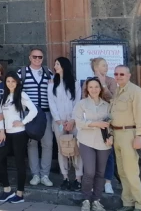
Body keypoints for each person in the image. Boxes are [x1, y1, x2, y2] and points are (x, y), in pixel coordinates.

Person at [110, 65, 141, 211]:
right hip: (117, 134)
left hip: (130, 135)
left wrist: (139, 136)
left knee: (131, 172)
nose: (118, 76)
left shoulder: (136, 91)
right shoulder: (117, 91)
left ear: (129, 75)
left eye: (122, 74)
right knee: (122, 172)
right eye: (116, 74)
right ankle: (128, 203)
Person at [0, 71, 37, 204]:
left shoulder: (22, 95)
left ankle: (20, 194)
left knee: (20, 163)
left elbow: (34, 110)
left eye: (13, 81)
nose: (10, 84)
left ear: (17, 82)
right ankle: (7, 190)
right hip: (7, 134)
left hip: (19, 134)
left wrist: (23, 122)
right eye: (8, 81)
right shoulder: (5, 96)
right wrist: (1, 131)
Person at [74, 77, 114, 211]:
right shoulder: (81, 104)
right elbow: (78, 122)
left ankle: (96, 200)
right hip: (86, 141)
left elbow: (112, 124)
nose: (94, 89)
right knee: (89, 171)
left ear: (100, 89)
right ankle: (86, 199)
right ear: (87, 89)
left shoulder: (107, 105)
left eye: (96, 87)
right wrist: (96, 124)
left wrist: (112, 136)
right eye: (91, 87)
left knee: (100, 172)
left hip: (104, 143)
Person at [18, 47, 54, 187]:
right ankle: (35, 174)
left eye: (40, 57)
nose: (37, 59)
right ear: (29, 57)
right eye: (35, 57)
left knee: (48, 144)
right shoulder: (22, 73)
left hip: (45, 113)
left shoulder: (48, 72)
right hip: (29, 114)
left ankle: (45, 175)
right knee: (31, 144)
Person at [48, 57, 83, 191]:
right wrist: (58, 120)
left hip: (73, 121)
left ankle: (78, 178)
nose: (55, 66)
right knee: (62, 148)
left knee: (76, 149)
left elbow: (78, 102)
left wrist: (73, 120)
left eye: (58, 64)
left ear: (64, 66)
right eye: (55, 63)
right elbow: (52, 103)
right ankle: (65, 177)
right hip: (59, 122)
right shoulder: (51, 84)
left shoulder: (75, 83)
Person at [89, 57, 119, 195]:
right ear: (96, 67)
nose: (106, 67)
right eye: (103, 65)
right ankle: (95, 182)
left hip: (107, 121)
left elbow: (112, 99)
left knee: (108, 153)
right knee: (92, 154)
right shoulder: (89, 81)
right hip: (93, 122)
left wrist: (103, 85)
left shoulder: (111, 81)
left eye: (107, 65)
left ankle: (108, 182)